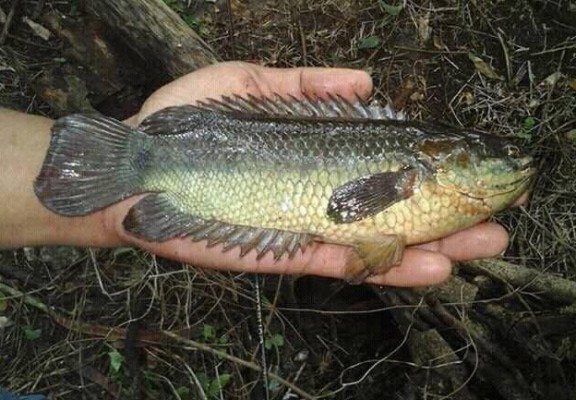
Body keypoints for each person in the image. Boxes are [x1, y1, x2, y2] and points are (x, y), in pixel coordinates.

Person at [0, 62, 513, 287]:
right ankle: (137, 160)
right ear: (445, 157)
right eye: (502, 155)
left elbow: (357, 221)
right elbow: (347, 208)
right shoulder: (412, 169)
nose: (514, 165)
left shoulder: (432, 185)